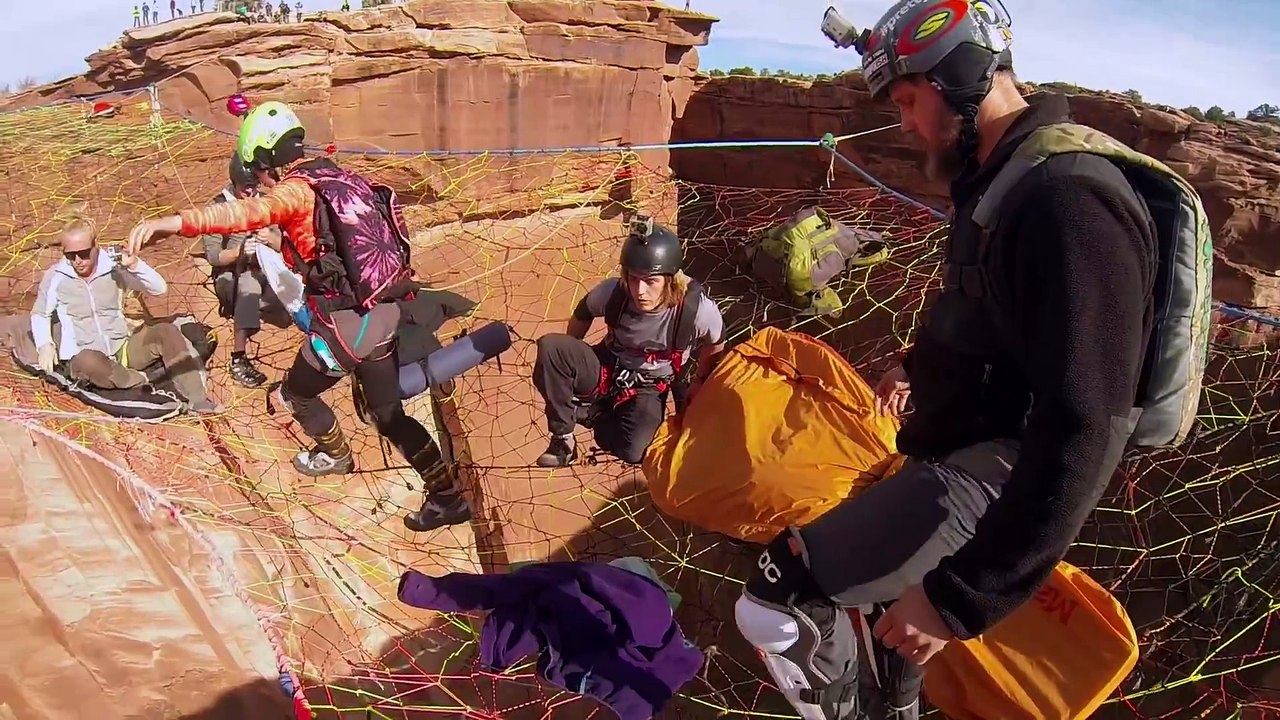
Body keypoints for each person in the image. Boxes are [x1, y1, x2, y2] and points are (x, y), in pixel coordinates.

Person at [734, 3, 1163, 719]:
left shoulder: (1069, 199)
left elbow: (1089, 421)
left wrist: (963, 598)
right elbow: (990, 316)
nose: (904, 123)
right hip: (957, 453)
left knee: (777, 602)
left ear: (963, 75)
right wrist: (919, 368)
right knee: (887, 627)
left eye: (908, 99)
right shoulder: (1009, 178)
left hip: (994, 475)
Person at [124, 100, 471, 534]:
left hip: (347, 326)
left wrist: (172, 223)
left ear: (266, 160)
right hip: (385, 311)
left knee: (296, 394)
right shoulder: (345, 178)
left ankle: (336, 455)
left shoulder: (295, 189)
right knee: (387, 414)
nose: (261, 180)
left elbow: (245, 213)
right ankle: (446, 498)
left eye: (258, 171)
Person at [532, 216, 725, 467]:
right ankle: (563, 440)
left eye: (650, 281)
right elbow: (584, 311)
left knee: (635, 450)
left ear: (670, 279)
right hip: (607, 364)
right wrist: (572, 363)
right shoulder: (615, 292)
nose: (640, 290)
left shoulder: (695, 309)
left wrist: (699, 382)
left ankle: (595, 414)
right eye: (633, 279)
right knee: (552, 348)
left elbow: (716, 342)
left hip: (649, 384)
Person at [31, 216, 220, 414]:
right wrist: (45, 344)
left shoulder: (113, 266)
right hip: (87, 357)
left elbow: (159, 289)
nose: (78, 261)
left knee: (166, 331)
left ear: (96, 246)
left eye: (84, 253)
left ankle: (198, 399)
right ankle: (140, 380)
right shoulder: (56, 276)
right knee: (88, 361)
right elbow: (40, 313)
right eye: (71, 255)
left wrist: (134, 265)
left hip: (122, 348)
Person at [204, 152, 286, 388]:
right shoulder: (219, 207)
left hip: (265, 269)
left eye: (254, 186)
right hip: (230, 274)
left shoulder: (266, 204)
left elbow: (283, 242)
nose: (250, 192)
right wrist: (240, 251)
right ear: (234, 183)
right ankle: (238, 359)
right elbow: (214, 256)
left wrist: (270, 238)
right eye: (245, 187)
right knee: (249, 285)